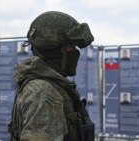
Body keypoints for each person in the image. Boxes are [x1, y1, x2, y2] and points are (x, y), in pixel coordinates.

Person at [9, 11, 95, 141]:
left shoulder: (48, 85)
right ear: (54, 51)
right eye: (70, 47)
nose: (75, 52)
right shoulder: (43, 92)